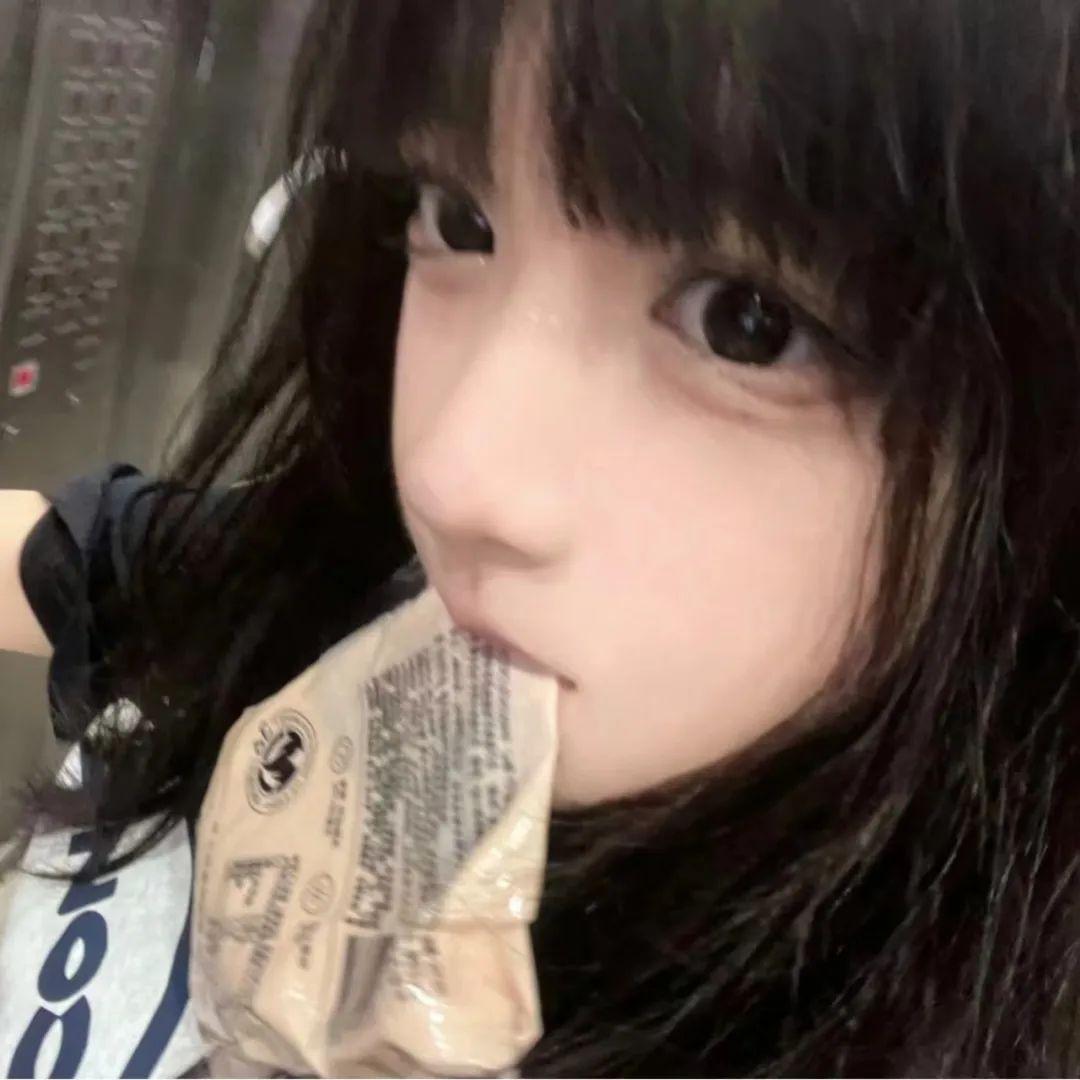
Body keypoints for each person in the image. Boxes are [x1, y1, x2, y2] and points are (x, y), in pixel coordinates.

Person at [4, 0, 1080, 1074]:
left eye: (748, 324)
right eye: (461, 218)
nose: (450, 476)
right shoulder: (364, 611)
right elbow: (99, 570)